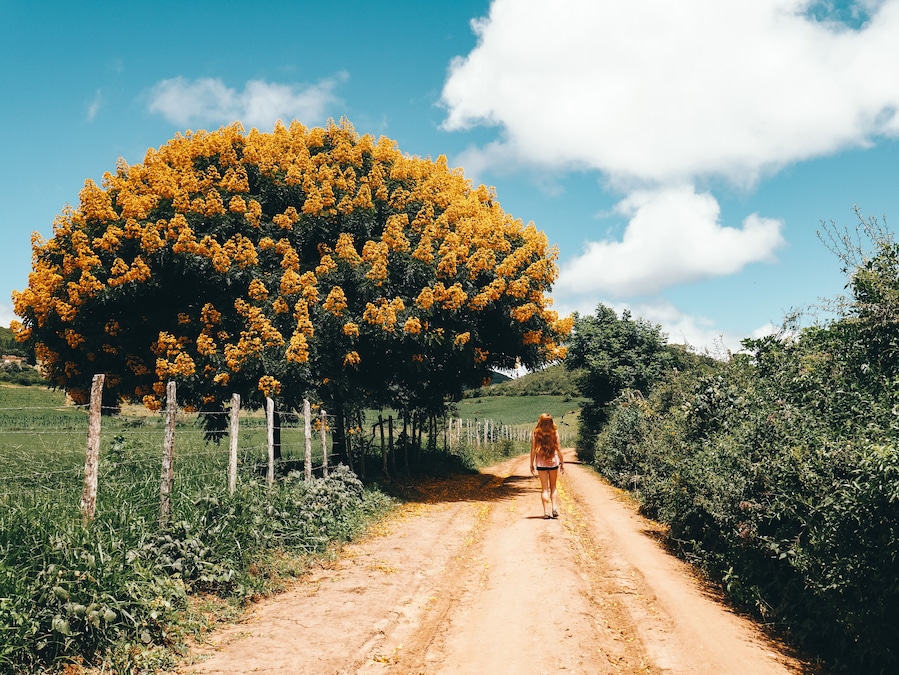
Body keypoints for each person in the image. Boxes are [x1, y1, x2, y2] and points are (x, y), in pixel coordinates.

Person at [529, 413, 564, 518]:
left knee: (544, 489)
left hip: (540, 463)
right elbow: (559, 449)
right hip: (553, 462)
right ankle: (554, 508)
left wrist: (531, 464)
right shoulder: (555, 432)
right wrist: (562, 463)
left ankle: (546, 512)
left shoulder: (536, 433)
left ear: (540, 421)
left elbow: (533, 450)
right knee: (553, 487)